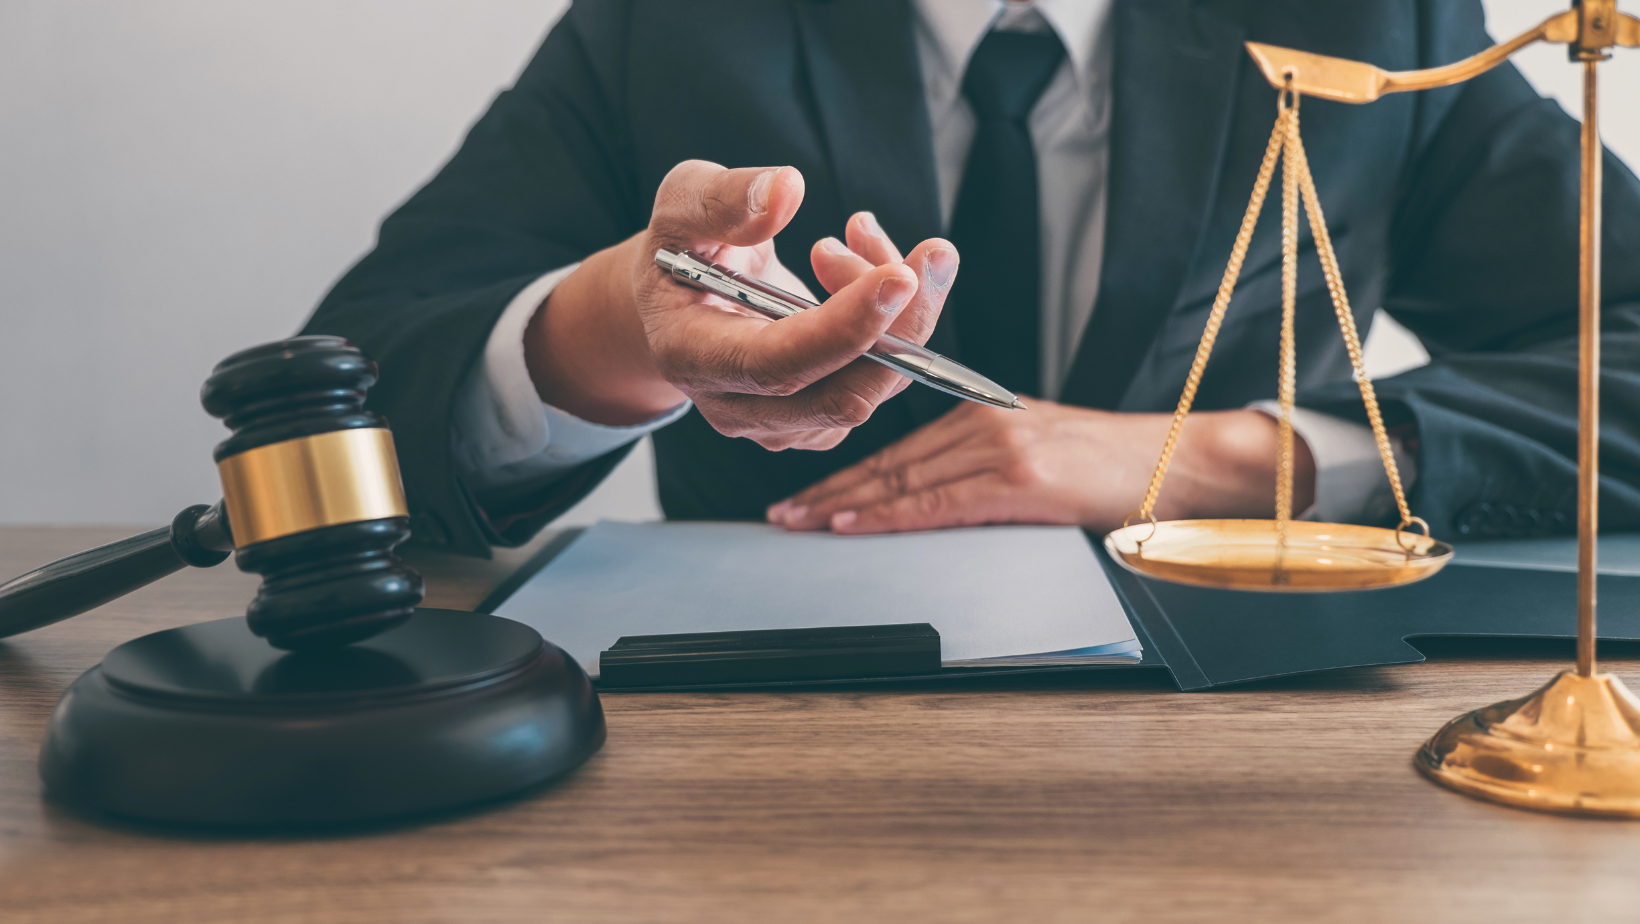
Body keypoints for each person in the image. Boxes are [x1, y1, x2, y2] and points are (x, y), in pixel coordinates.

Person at [303, 0, 1640, 558]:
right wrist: (619, 333)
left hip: (1254, 753)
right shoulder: (674, 23)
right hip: (755, 768)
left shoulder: (1359, 23)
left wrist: (1228, 462)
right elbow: (336, 413)